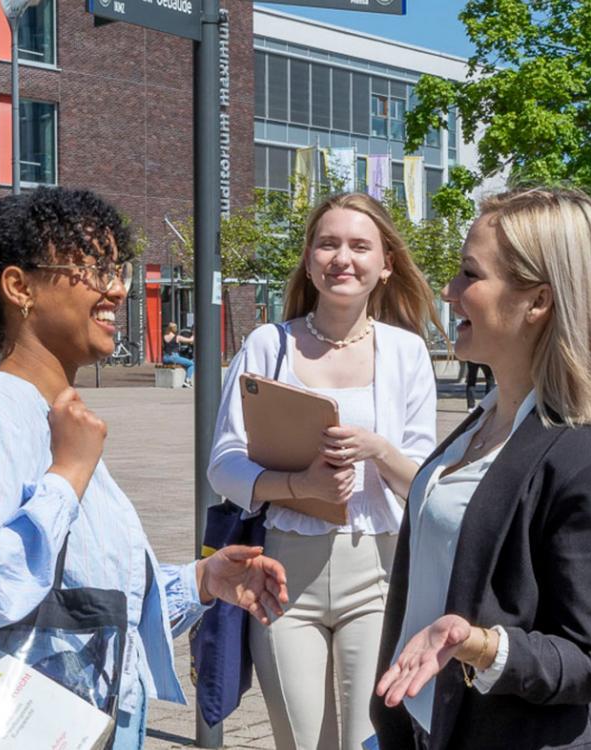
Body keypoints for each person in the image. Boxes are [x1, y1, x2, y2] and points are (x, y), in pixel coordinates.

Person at [0, 187, 289, 749]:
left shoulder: (57, 417)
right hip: (24, 725)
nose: (118, 288)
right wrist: (68, 475)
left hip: (82, 721)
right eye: (92, 269)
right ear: (19, 288)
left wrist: (203, 582)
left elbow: (91, 599)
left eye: (118, 268)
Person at [371, 187, 591, 750]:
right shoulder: (476, 426)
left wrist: (478, 644)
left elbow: (590, 660)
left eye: (469, 275)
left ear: (538, 301)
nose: (448, 292)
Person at [208, 192, 439, 750]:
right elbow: (224, 464)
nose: (343, 258)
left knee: (371, 741)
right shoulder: (269, 346)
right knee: (302, 742)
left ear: (386, 265)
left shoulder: (407, 353)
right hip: (283, 573)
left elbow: (425, 486)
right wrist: (300, 486)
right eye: (328, 243)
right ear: (309, 260)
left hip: (378, 573)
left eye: (360, 246)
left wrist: (378, 450)